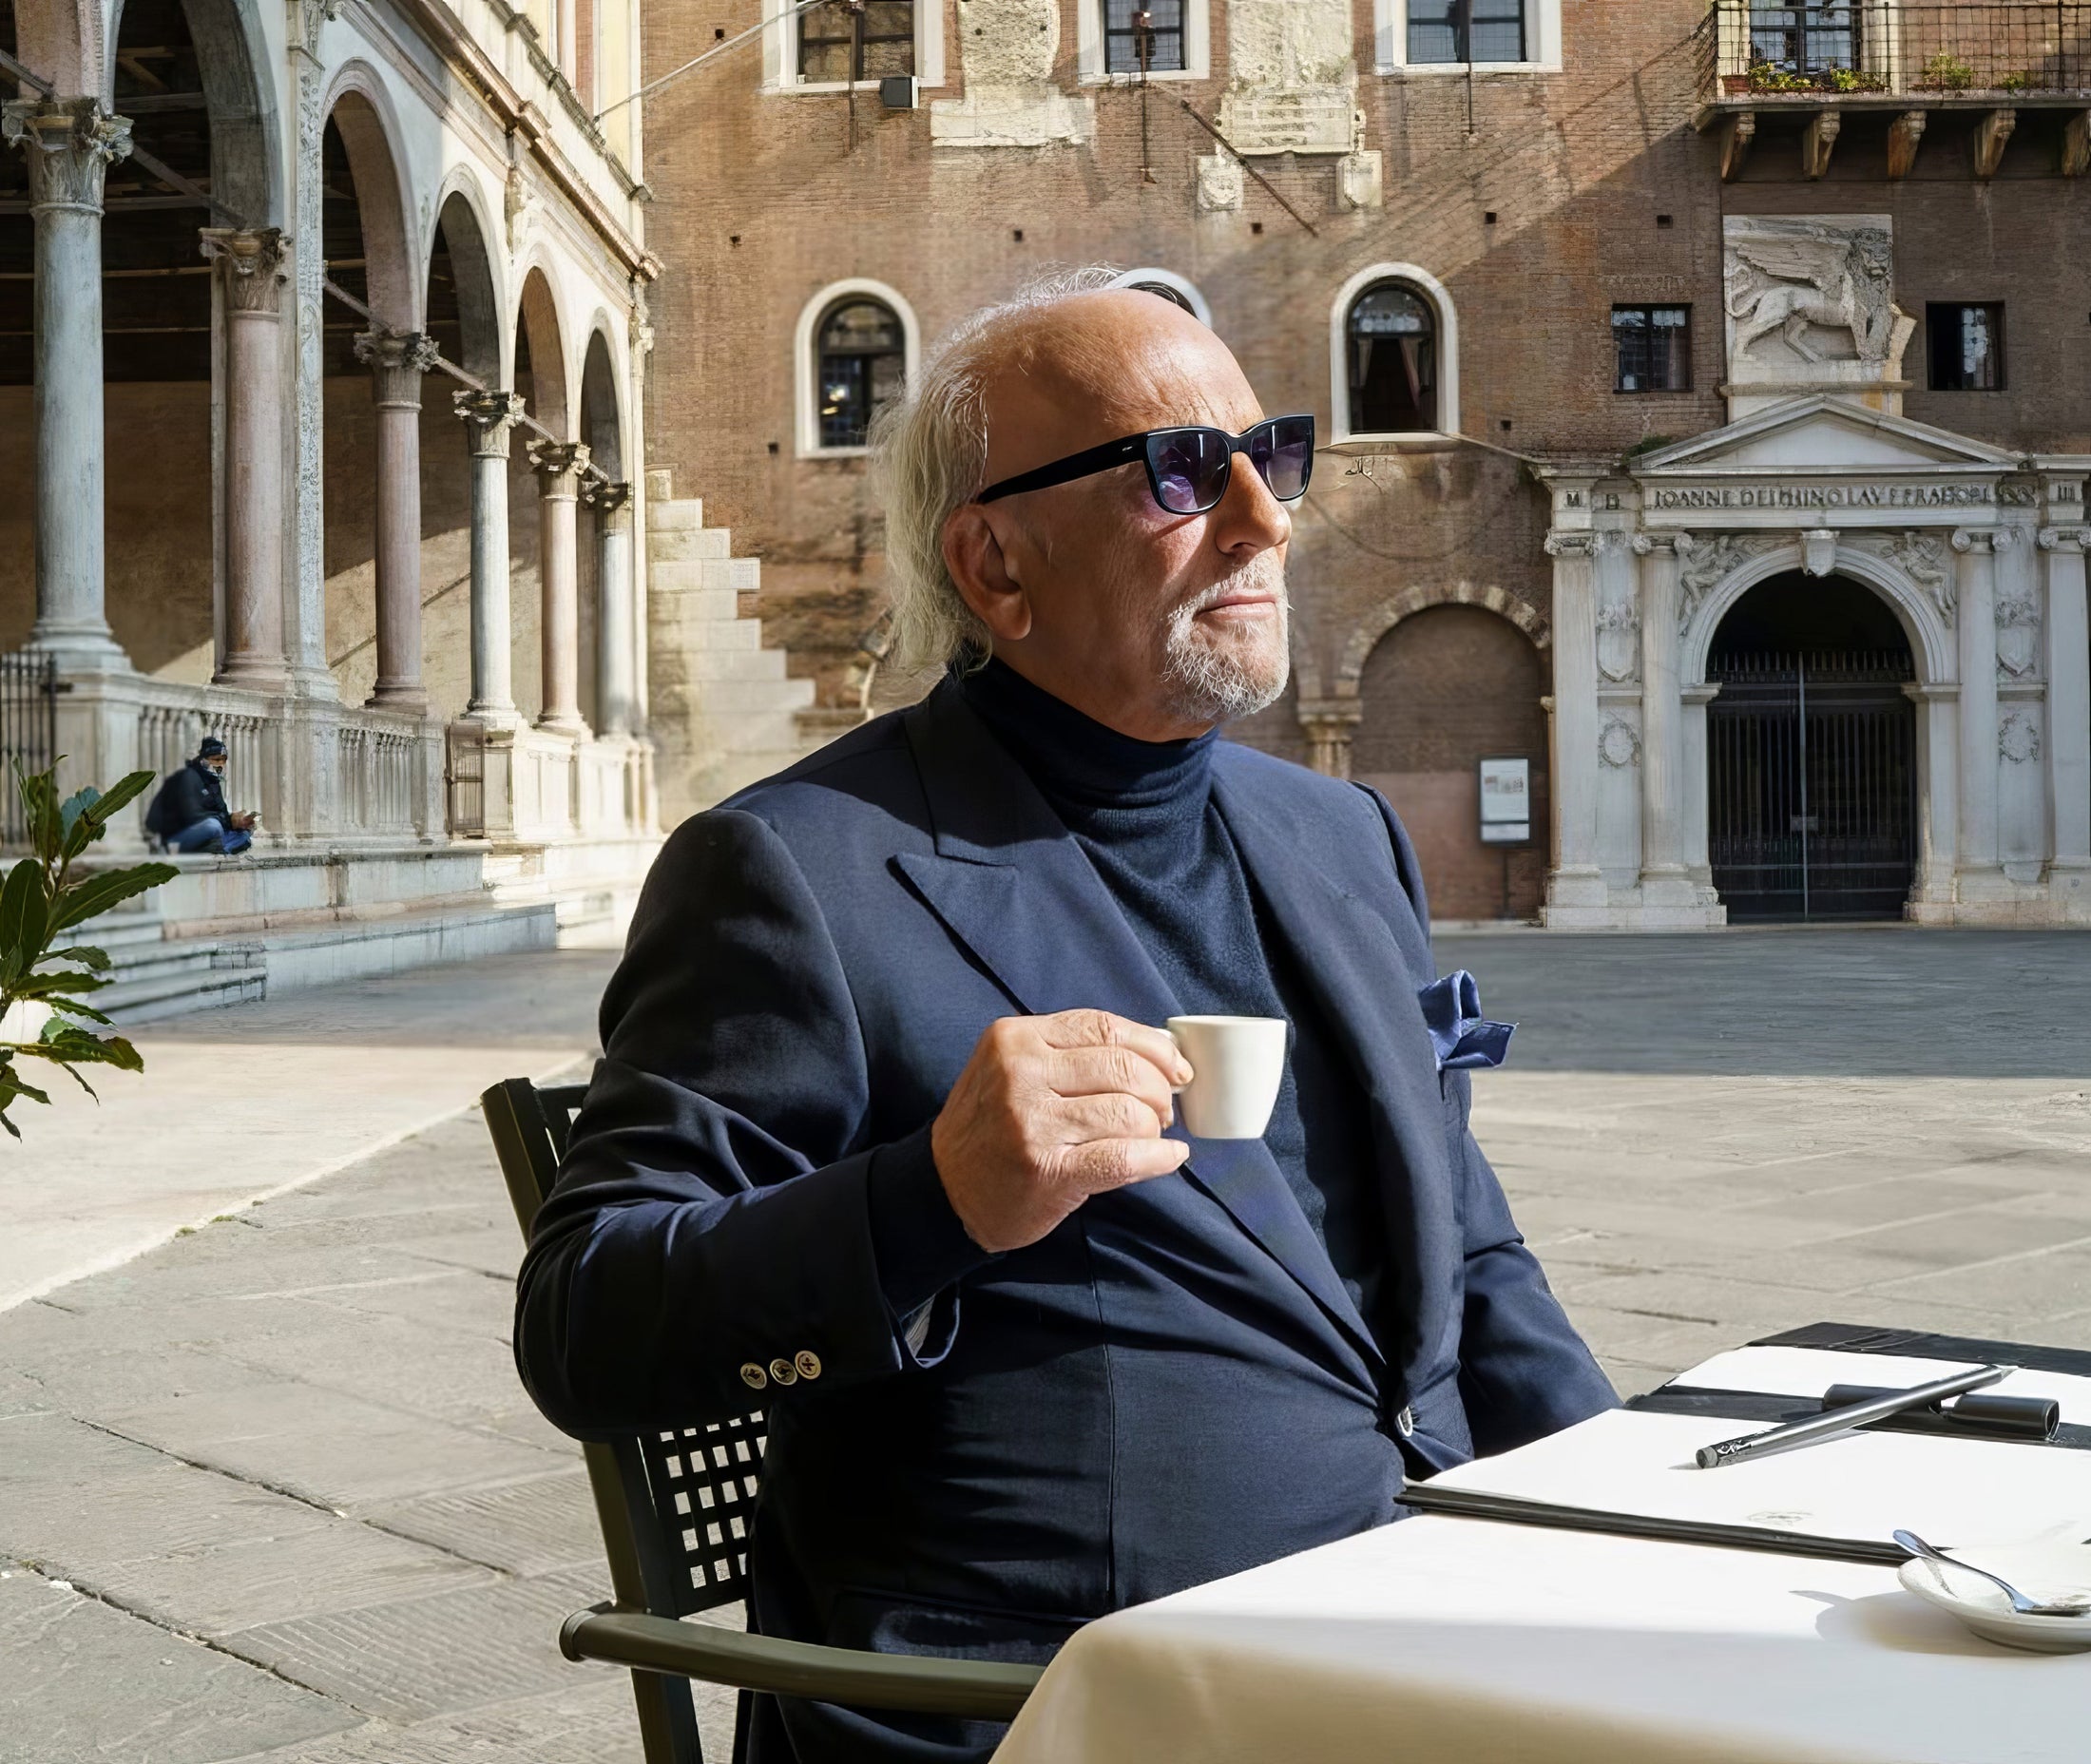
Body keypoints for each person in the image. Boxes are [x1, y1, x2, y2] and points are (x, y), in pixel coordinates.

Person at [515, 269, 1615, 1764]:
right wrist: (930, 1200)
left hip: (1420, 1639)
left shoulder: (1338, 837)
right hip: (1054, 1707)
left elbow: (1469, 1251)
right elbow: (587, 1326)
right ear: (996, 563)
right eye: (1179, 471)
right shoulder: (798, 873)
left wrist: (1638, 1514)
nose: (1264, 519)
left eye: (1268, 455)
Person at [144, 737, 257, 853]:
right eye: (216, 760)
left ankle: (216, 848)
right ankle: (174, 848)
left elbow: (219, 812)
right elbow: (192, 816)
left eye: (223, 760)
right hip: (176, 834)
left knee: (244, 835)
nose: (220, 765)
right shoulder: (189, 776)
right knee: (213, 826)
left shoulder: (212, 782)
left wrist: (235, 821)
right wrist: (227, 821)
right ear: (203, 760)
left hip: (202, 831)